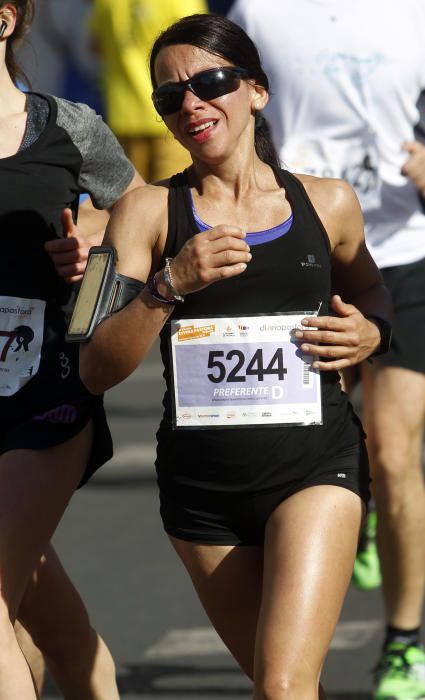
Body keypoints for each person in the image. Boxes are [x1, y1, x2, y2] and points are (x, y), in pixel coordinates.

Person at [78, 13, 392, 700]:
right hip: (202, 496)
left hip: (314, 467)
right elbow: (95, 365)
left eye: (210, 82)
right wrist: (169, 285)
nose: (190, 105)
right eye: (168, 97)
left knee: (280, 686)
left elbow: (370, 292)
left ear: (254, 91)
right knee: (283, 683)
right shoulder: (145, 214)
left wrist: (372, 333)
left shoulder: (328, 203)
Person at [228, 0, 425, 698]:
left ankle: (403, 646)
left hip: (403, 249)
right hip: (304, 250)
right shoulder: (260, 11)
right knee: (303, 452)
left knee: (393, 454)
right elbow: (228, 112)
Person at [0, 1, 145, 698]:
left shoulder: (68, 129)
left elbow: (143, 215)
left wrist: (98, 245)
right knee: (40, 624)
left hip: (44, 392)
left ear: (4, 20)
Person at [88, 0, 209, 182]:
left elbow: (95, 46)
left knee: (131, 202)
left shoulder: (105, 3)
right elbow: (201, 48)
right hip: (174, 117)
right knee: (173, 201)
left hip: (123, 119)